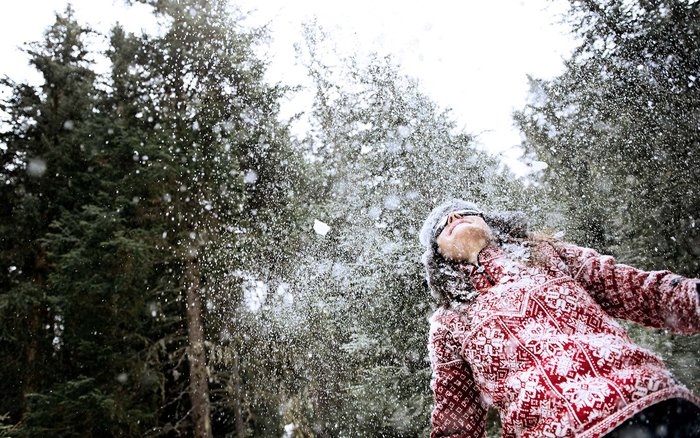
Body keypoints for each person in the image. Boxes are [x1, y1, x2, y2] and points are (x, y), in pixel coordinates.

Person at [419, 200, 700, 438]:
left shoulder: (548, 255)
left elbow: (643, 292)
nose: (454, 217)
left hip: (650, 401)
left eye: (465, 212)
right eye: (442, 224)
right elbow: (456, 421)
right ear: (438, 256)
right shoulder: (449, 323)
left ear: (491, 224)